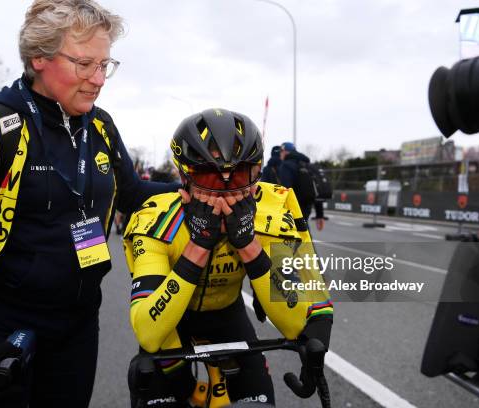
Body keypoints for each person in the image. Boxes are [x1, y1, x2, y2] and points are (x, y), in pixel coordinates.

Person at [0, 1, 177, 407]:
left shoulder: (101, 125)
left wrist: (197, 189)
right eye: (85, 63)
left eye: (105, 64)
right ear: (39, 57)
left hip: (75, 330)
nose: (98, 79)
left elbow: (132, 193)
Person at [124, 109, 333, 406]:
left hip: (228, 316)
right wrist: (197, 246)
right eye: (209, 176)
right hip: (171, 326)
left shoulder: (272, 214)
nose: (224, 192)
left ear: (257, 175)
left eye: (238, 177)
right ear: (184, 176)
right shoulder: (155, 220)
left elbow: (295, 323)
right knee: (165, 383)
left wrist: (249, 245)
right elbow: (149, 334)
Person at [278, 142, 325, 231]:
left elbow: (285, 188)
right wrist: (320, 215)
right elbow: (317, 189)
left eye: (281, 151)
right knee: (304, 231)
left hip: (293, 208)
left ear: (285, 152)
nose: (280, 154)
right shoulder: (308, 166)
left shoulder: (286, 165)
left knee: (291, 237)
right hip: (307, 206)